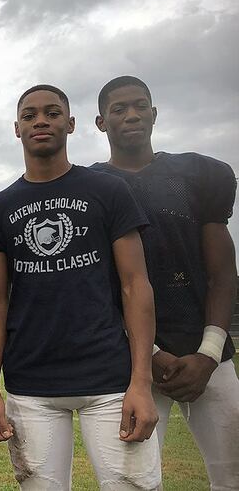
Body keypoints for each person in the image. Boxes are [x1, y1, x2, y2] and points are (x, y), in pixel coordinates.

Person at [0, 84, 161, 490]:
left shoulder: (109, 191)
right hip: (31, 384)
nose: (41, 121)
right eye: (29, 115)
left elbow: (136, 285)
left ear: (72, 124)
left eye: (52, 113)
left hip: (110, 378)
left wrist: (141, 381)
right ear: (16, 129)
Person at [92, 75, 239, 488]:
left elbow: (221, 272)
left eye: (140, 105)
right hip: (132, 359)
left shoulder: (200, 174)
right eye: (118, 109)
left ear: (154, 114)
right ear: (101, 122)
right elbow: (98, 284)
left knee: (233, 474)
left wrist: (209, 353)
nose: (131, 115)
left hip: (206, 349)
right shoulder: (91, 186)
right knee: (133, 480)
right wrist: (149, 352)